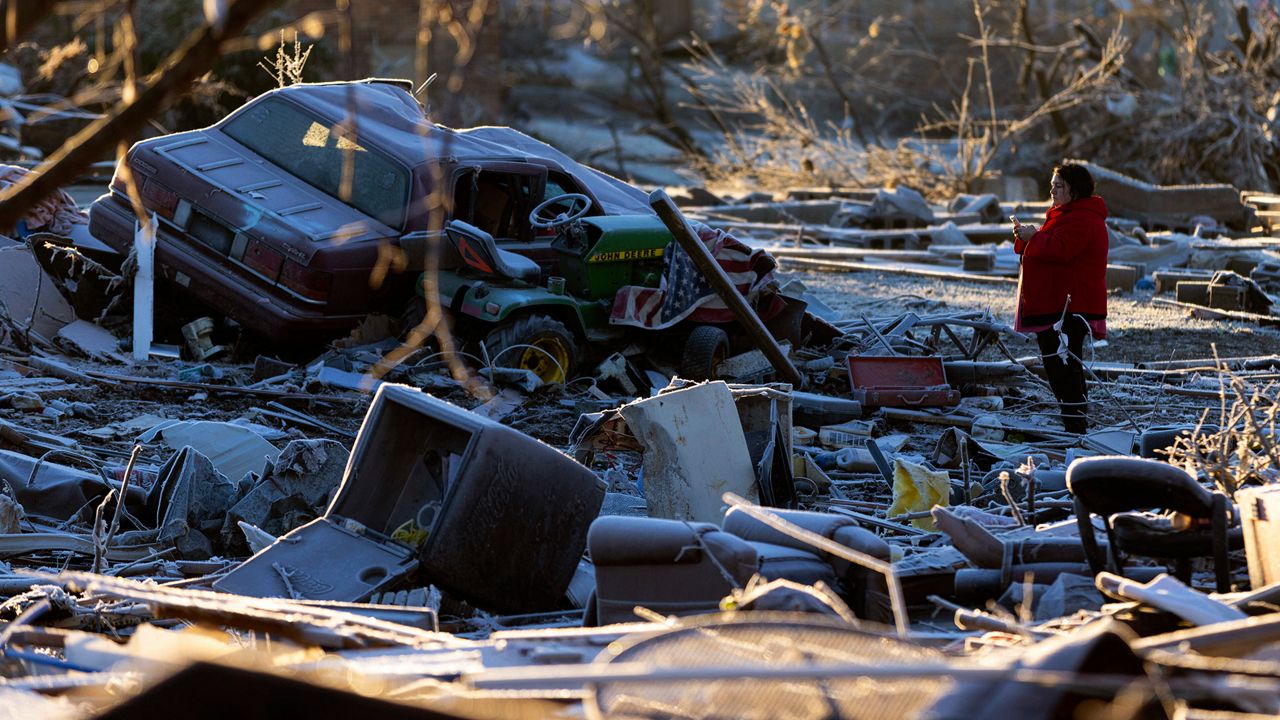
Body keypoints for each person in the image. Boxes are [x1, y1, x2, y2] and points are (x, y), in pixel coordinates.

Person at [1012, 164, 1109, 434]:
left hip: (1068, 306)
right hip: (1055, 304)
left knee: (1064, 366)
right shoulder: (1066, 215)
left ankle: (1075, 425)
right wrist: (1026, 239)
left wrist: (1035, 237)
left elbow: (1060, 249)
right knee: (1059, 365)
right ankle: (1073, 421)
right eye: (1052, 185)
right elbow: (1048, 246)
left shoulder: (1083, 219)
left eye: (1058, 186)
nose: (1052, 190)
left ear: (1074, 191)